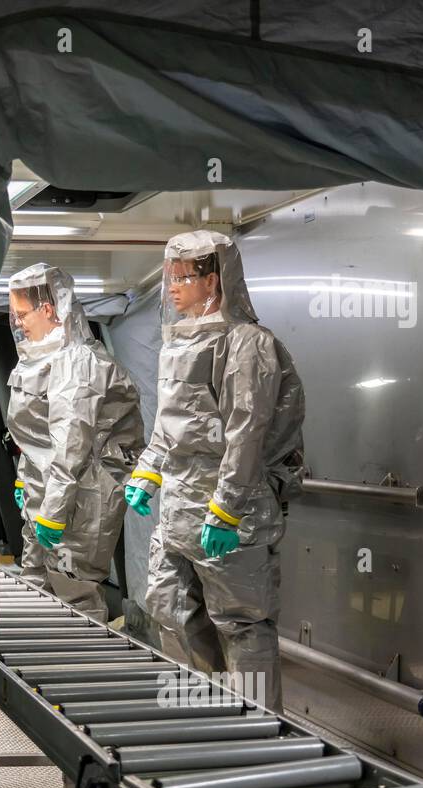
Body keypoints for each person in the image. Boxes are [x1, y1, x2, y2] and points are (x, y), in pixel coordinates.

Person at [125, 230, 305, 712]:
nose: (173, 289)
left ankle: (261, 740)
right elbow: (169, 424)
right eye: (171, 279)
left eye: (183, 278)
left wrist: (225, 510)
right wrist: (147, 473)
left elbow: (246, 432)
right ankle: (205, 721)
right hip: (180, 511)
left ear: (214, 280)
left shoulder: (246, 343)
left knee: (242, 624)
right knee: (172, 611)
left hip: (230, 513)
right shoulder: (178, 343)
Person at [6, 263, 144, 623]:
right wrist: (25, 480)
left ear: (48, 309)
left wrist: (51, 513)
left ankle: (85, 673)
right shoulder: (37, 361)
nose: (18, 323)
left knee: (75, 596)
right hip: (48, 496)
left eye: (22, 314)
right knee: (35, 587)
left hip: (81, 500)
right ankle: (37, 672)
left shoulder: (77, 363)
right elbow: (34, 437)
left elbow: (71, 448)